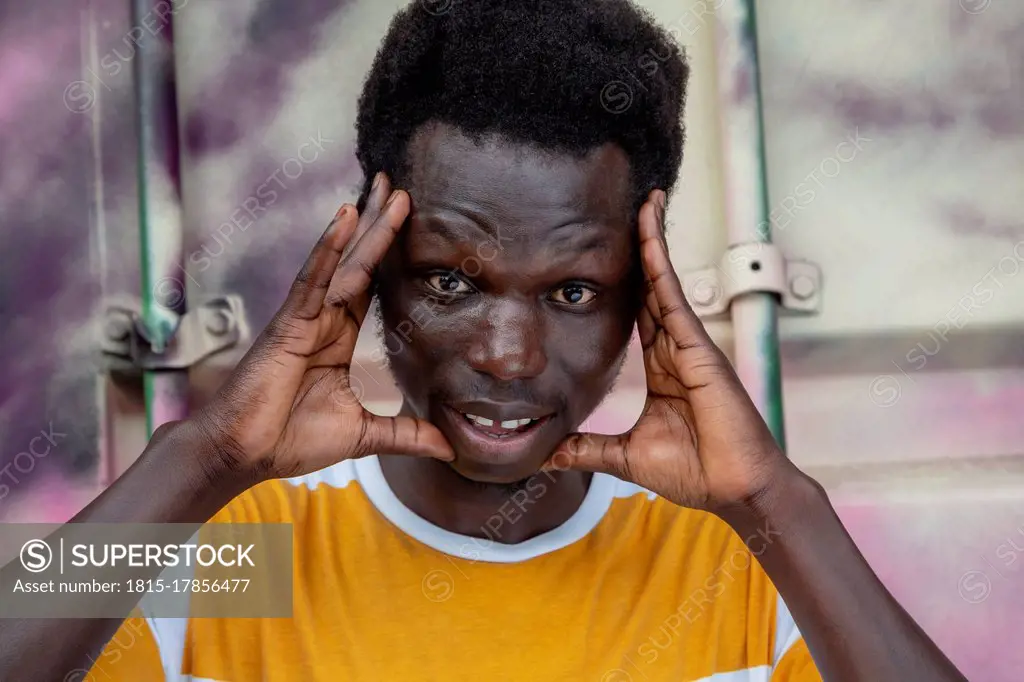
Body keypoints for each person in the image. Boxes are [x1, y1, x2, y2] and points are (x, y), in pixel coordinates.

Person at [0, 1, 968, 680]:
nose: (508, 351)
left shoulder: (741, 569)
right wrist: (203, 454)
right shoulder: (239, 555)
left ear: (644, 298)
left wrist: (778, 501)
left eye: (575, 288)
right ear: (373, 267)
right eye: (451, 280)